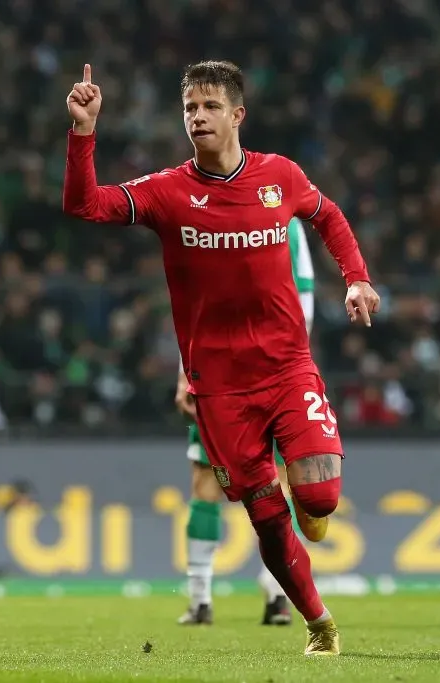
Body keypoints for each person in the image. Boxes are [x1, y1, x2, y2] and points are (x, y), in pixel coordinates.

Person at [62, 61, 380, 656]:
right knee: (265, 515)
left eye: (209, 107)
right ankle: (320, 624)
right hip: (220, 390)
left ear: (237, 115)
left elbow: (328, 215)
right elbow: (86, 206)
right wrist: (84, 132)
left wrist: (357, 279)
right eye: (189, 109)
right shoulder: (166, 192)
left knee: (318, 500)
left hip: (287, 369)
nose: (198, 117)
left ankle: (310, 507)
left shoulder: (278, 176)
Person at [176, 217, 316, 627]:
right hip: (231, 370)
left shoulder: (273, 219)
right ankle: (234, 596)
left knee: (247, 478)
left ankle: (252, 594)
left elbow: (302, 295)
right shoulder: (204, 215)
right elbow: (190, 302)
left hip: (257, 373)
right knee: (240, 478)